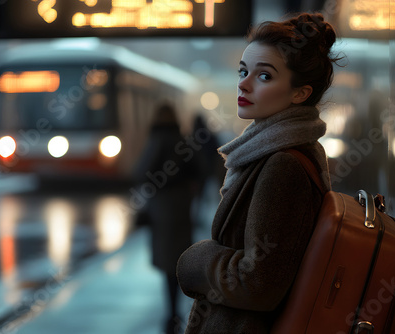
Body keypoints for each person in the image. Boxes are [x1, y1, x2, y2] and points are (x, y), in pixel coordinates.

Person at [176, 13, 341, 333]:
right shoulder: (274, 152)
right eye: (243, 71)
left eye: (264, 76)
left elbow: (258, 283)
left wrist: (194, 261)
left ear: (300, 93)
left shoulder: (283, 165)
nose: (243, 83)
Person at [133, 103, 201, 334]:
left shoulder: (158, 139)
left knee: (167, 262)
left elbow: (141, 171)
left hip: (163, 208)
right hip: (182, 206)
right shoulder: (183, 140)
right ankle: (177, 310)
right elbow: (199, 169)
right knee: (179, 259)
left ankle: (171, 314)